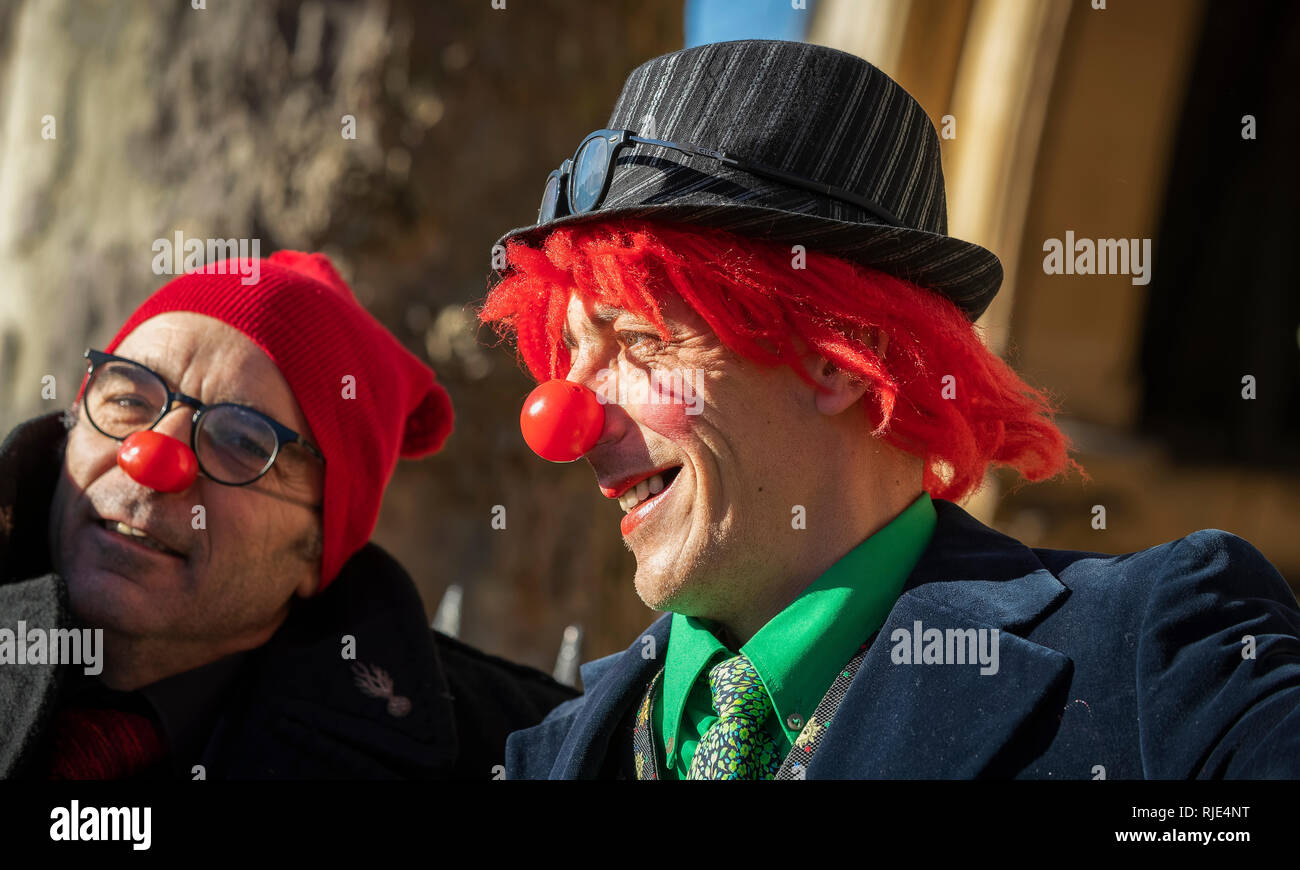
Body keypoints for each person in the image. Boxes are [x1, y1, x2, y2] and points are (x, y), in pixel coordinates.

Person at [480, 39, 1300, 779]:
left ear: (836, 353)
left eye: (639, 341)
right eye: (570, 354)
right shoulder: (543, 758)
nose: (568, 422)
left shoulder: (1156, 660)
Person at [0, 250, 577, 779]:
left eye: (245, 442)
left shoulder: (525, 754)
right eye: (127, 400)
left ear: (318, 545)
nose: (151, 460)